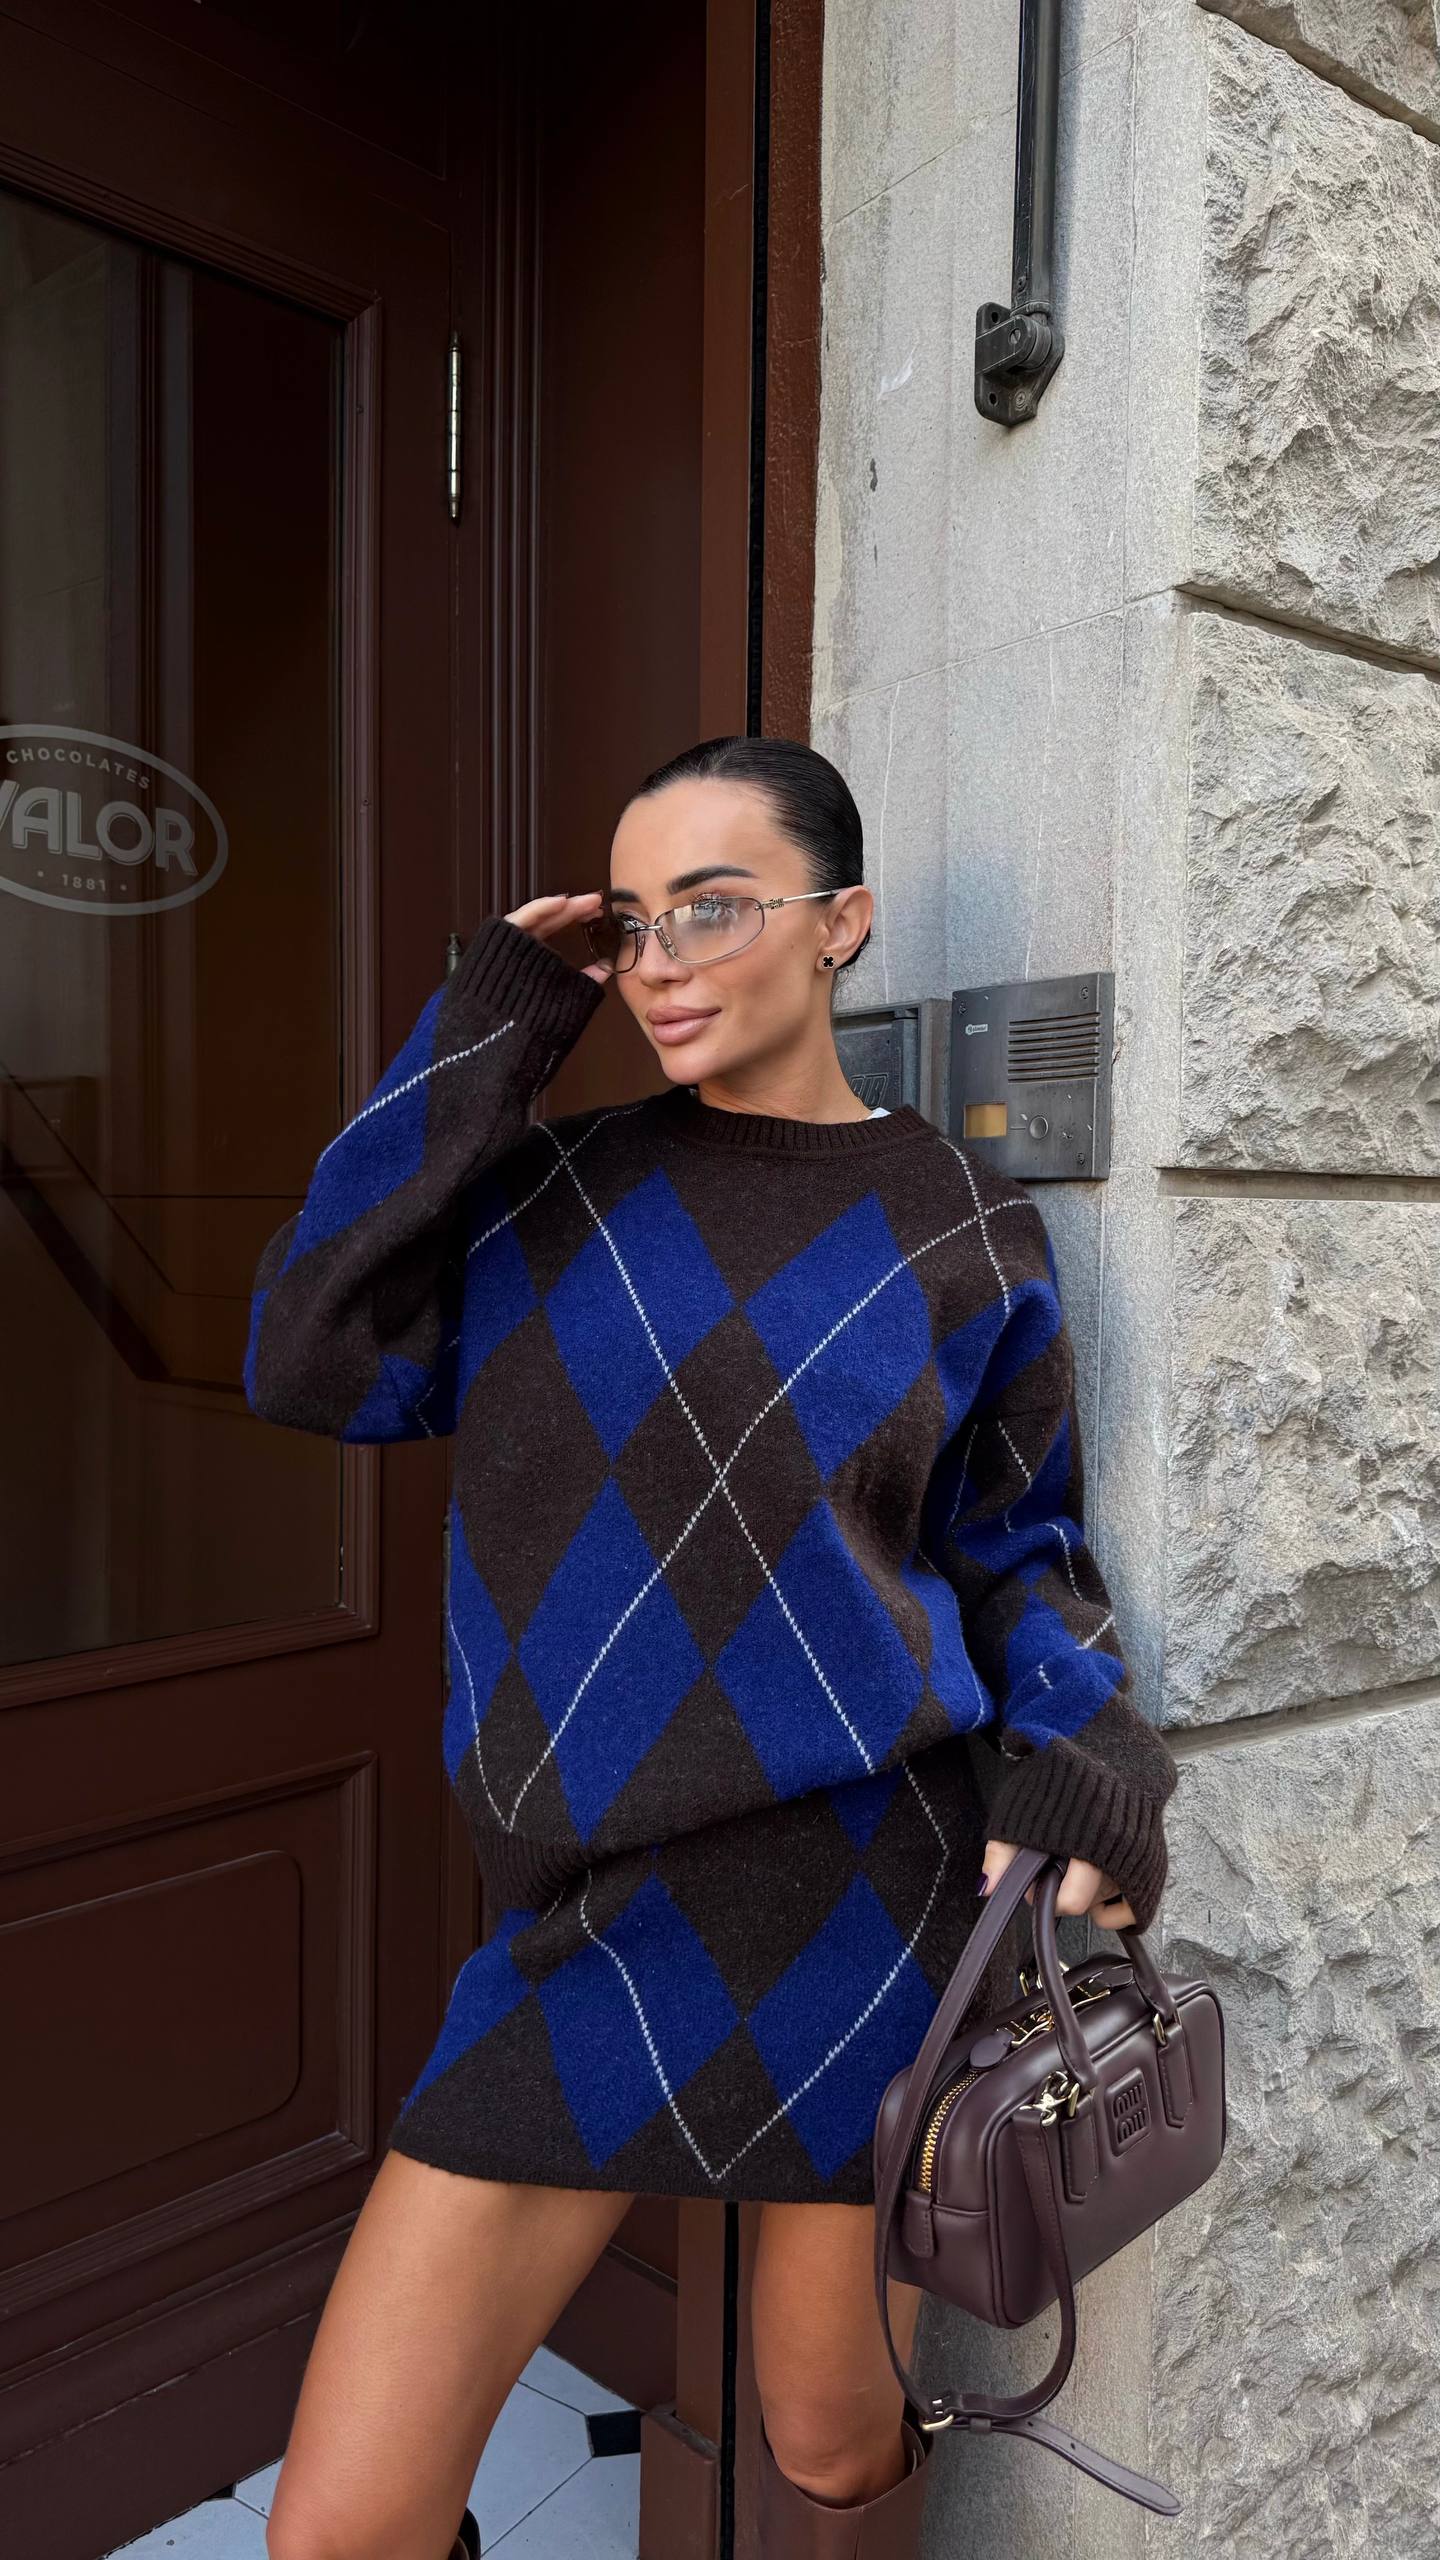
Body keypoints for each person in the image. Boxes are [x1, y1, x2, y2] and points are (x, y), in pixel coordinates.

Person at [245, 736, 1177, 2560]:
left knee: (828, 2443)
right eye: (631, 922)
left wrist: (1093, 1764)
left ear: (843, 923)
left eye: (716, 907)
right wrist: (497, 1020)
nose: (663, 961)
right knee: (341, 2526)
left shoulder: (957, 1219)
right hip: (588, 1914)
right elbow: (306, 1354)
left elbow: (1019, 1545)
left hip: (861, 1898)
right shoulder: (545, 1197)